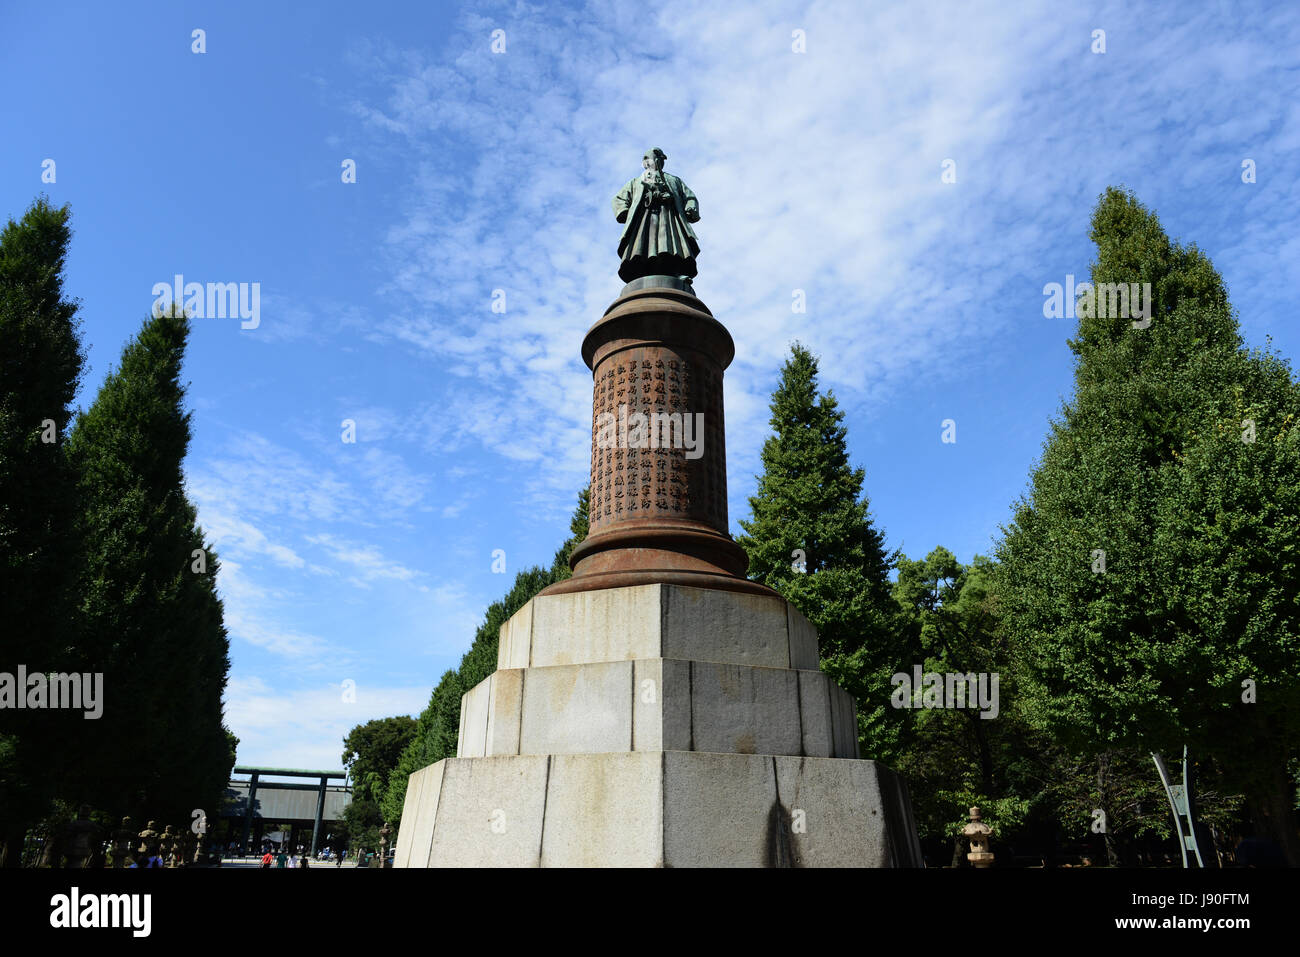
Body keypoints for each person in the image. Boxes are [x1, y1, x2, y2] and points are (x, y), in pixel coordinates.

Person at [612, 148, 700, 285]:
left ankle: (675, 273)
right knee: (643, 245)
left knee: (672, 245)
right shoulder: (635, 182)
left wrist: (690, 207)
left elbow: (689, 196)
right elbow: (619, 199)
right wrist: (624, 211)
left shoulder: (673, 180)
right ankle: (641, 273)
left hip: (670, 217)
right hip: (644, 218)